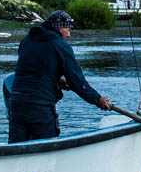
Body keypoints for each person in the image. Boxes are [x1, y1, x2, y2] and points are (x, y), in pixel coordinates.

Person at [8, 9, 111, 142]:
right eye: (68, 28)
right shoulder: (60, 45)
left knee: (17, 148)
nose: (69, 34)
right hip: (41, 107)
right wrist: (97, 99)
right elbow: (76, 81)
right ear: (59, 27)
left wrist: (56, 80)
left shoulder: (27, 39)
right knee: (45, 149)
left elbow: (31, 69)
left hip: (16, 103)